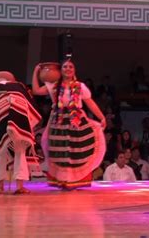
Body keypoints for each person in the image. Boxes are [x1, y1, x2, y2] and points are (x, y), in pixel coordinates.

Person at [32, 59, 106, 190]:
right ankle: (62, 180)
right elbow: (36, 91)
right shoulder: (54, 85)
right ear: (61, 70)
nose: (68, 69)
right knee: (59, 149)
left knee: (74, 150)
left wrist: (101, 117)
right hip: (58, 120)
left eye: (70, 67)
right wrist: (36, 71)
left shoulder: (80, 86)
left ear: (74, 70)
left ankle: (73, 181)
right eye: (65, 67)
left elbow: (90, 103)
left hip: (75, 120)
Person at [0, 71, 42, 194]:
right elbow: (31, 103)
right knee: (20, 150)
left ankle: (0, 186)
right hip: (20, 112)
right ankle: (20, 186)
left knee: (0, 150)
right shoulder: (20, 86)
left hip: (1, 113)